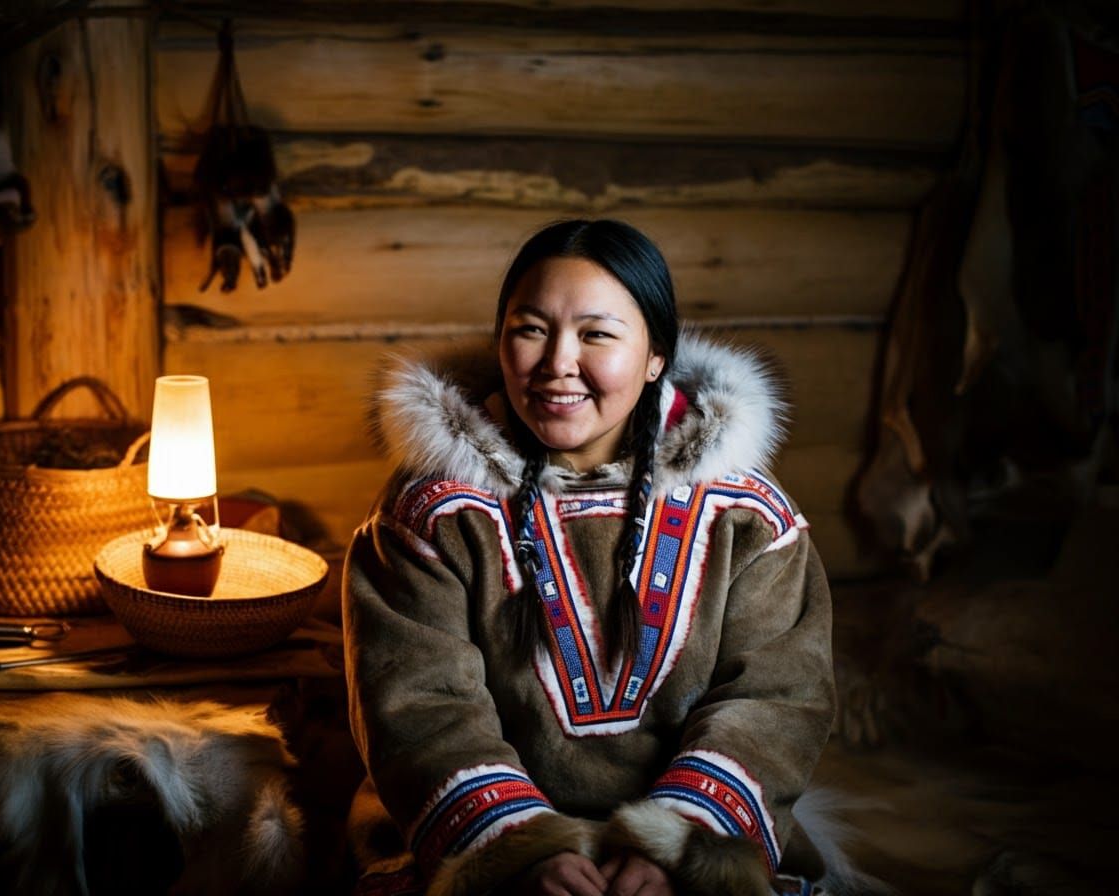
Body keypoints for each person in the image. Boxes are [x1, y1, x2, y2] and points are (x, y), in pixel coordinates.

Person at [343, 219, 840, 896]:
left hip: (691, 845)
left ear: (655, 356)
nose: (557, 364)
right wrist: (524, 851)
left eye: (597, 334)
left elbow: (777, 697)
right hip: (481, 844)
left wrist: (672, 847)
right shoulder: (430, 514)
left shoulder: (746, 512)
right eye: (531, 328)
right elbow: (420, 703)